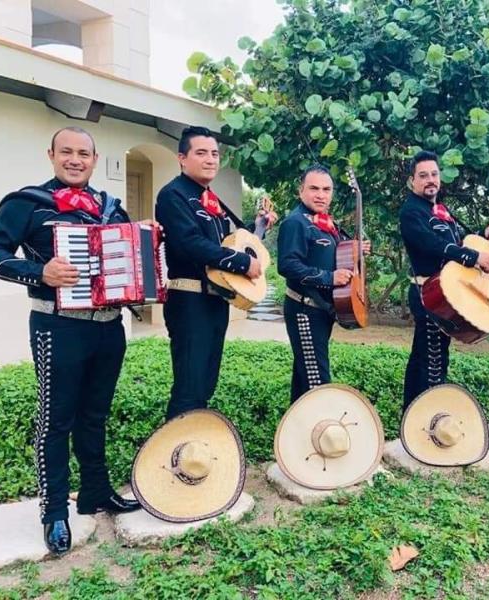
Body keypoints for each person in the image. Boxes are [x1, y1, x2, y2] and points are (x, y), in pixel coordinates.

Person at [0, 127, 141, 555]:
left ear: (94, 158)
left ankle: (96, 493)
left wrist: (144, 249)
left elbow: (128, 259)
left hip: (109, 326)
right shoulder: (27, 204)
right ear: (51, 155)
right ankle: (54, 513)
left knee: (95, 415)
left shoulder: (111, 208)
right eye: (66, 151)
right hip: (57, 325)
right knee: (56, 419)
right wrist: (38, 273)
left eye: (83, 153)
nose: (75, 159)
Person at [155, 126, 276, 420]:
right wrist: (243, 263)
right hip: (189, 301)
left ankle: (194, 446)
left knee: (206, 383)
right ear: (182, 158)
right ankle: (173, 452)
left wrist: (257, 227)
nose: (210, 159)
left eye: (214, 154)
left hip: (215, 301)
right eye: (201, 153)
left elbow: (224, 245)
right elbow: (190, 244)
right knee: (189, 387)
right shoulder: (173, 195)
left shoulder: (211, 200)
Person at [398, 150, 489, 410]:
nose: (430, 180)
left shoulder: (441, 210)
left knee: (437, 356)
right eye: (423, 175)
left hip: (446, 293)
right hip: (426, 292)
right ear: (412, 181)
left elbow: (458, 244)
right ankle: (420, 416)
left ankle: (422, 413)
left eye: (434, 174)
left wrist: (486, 233)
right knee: (428, 357)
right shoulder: (411, 212)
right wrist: (472, 256)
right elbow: (433, 245)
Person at [277, 164, 370, 402]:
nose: (321, 195)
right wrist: (330, 278)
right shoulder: (295, 223)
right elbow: (287, 265)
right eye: (314, 188)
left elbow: (337, 257)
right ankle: (321, 435)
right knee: (318, 383)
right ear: (301, 191)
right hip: (304, 310)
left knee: (304, 378)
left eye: (326, 189)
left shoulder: (328, 225)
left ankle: (295, 435)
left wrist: (356, 250)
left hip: (322, 312)